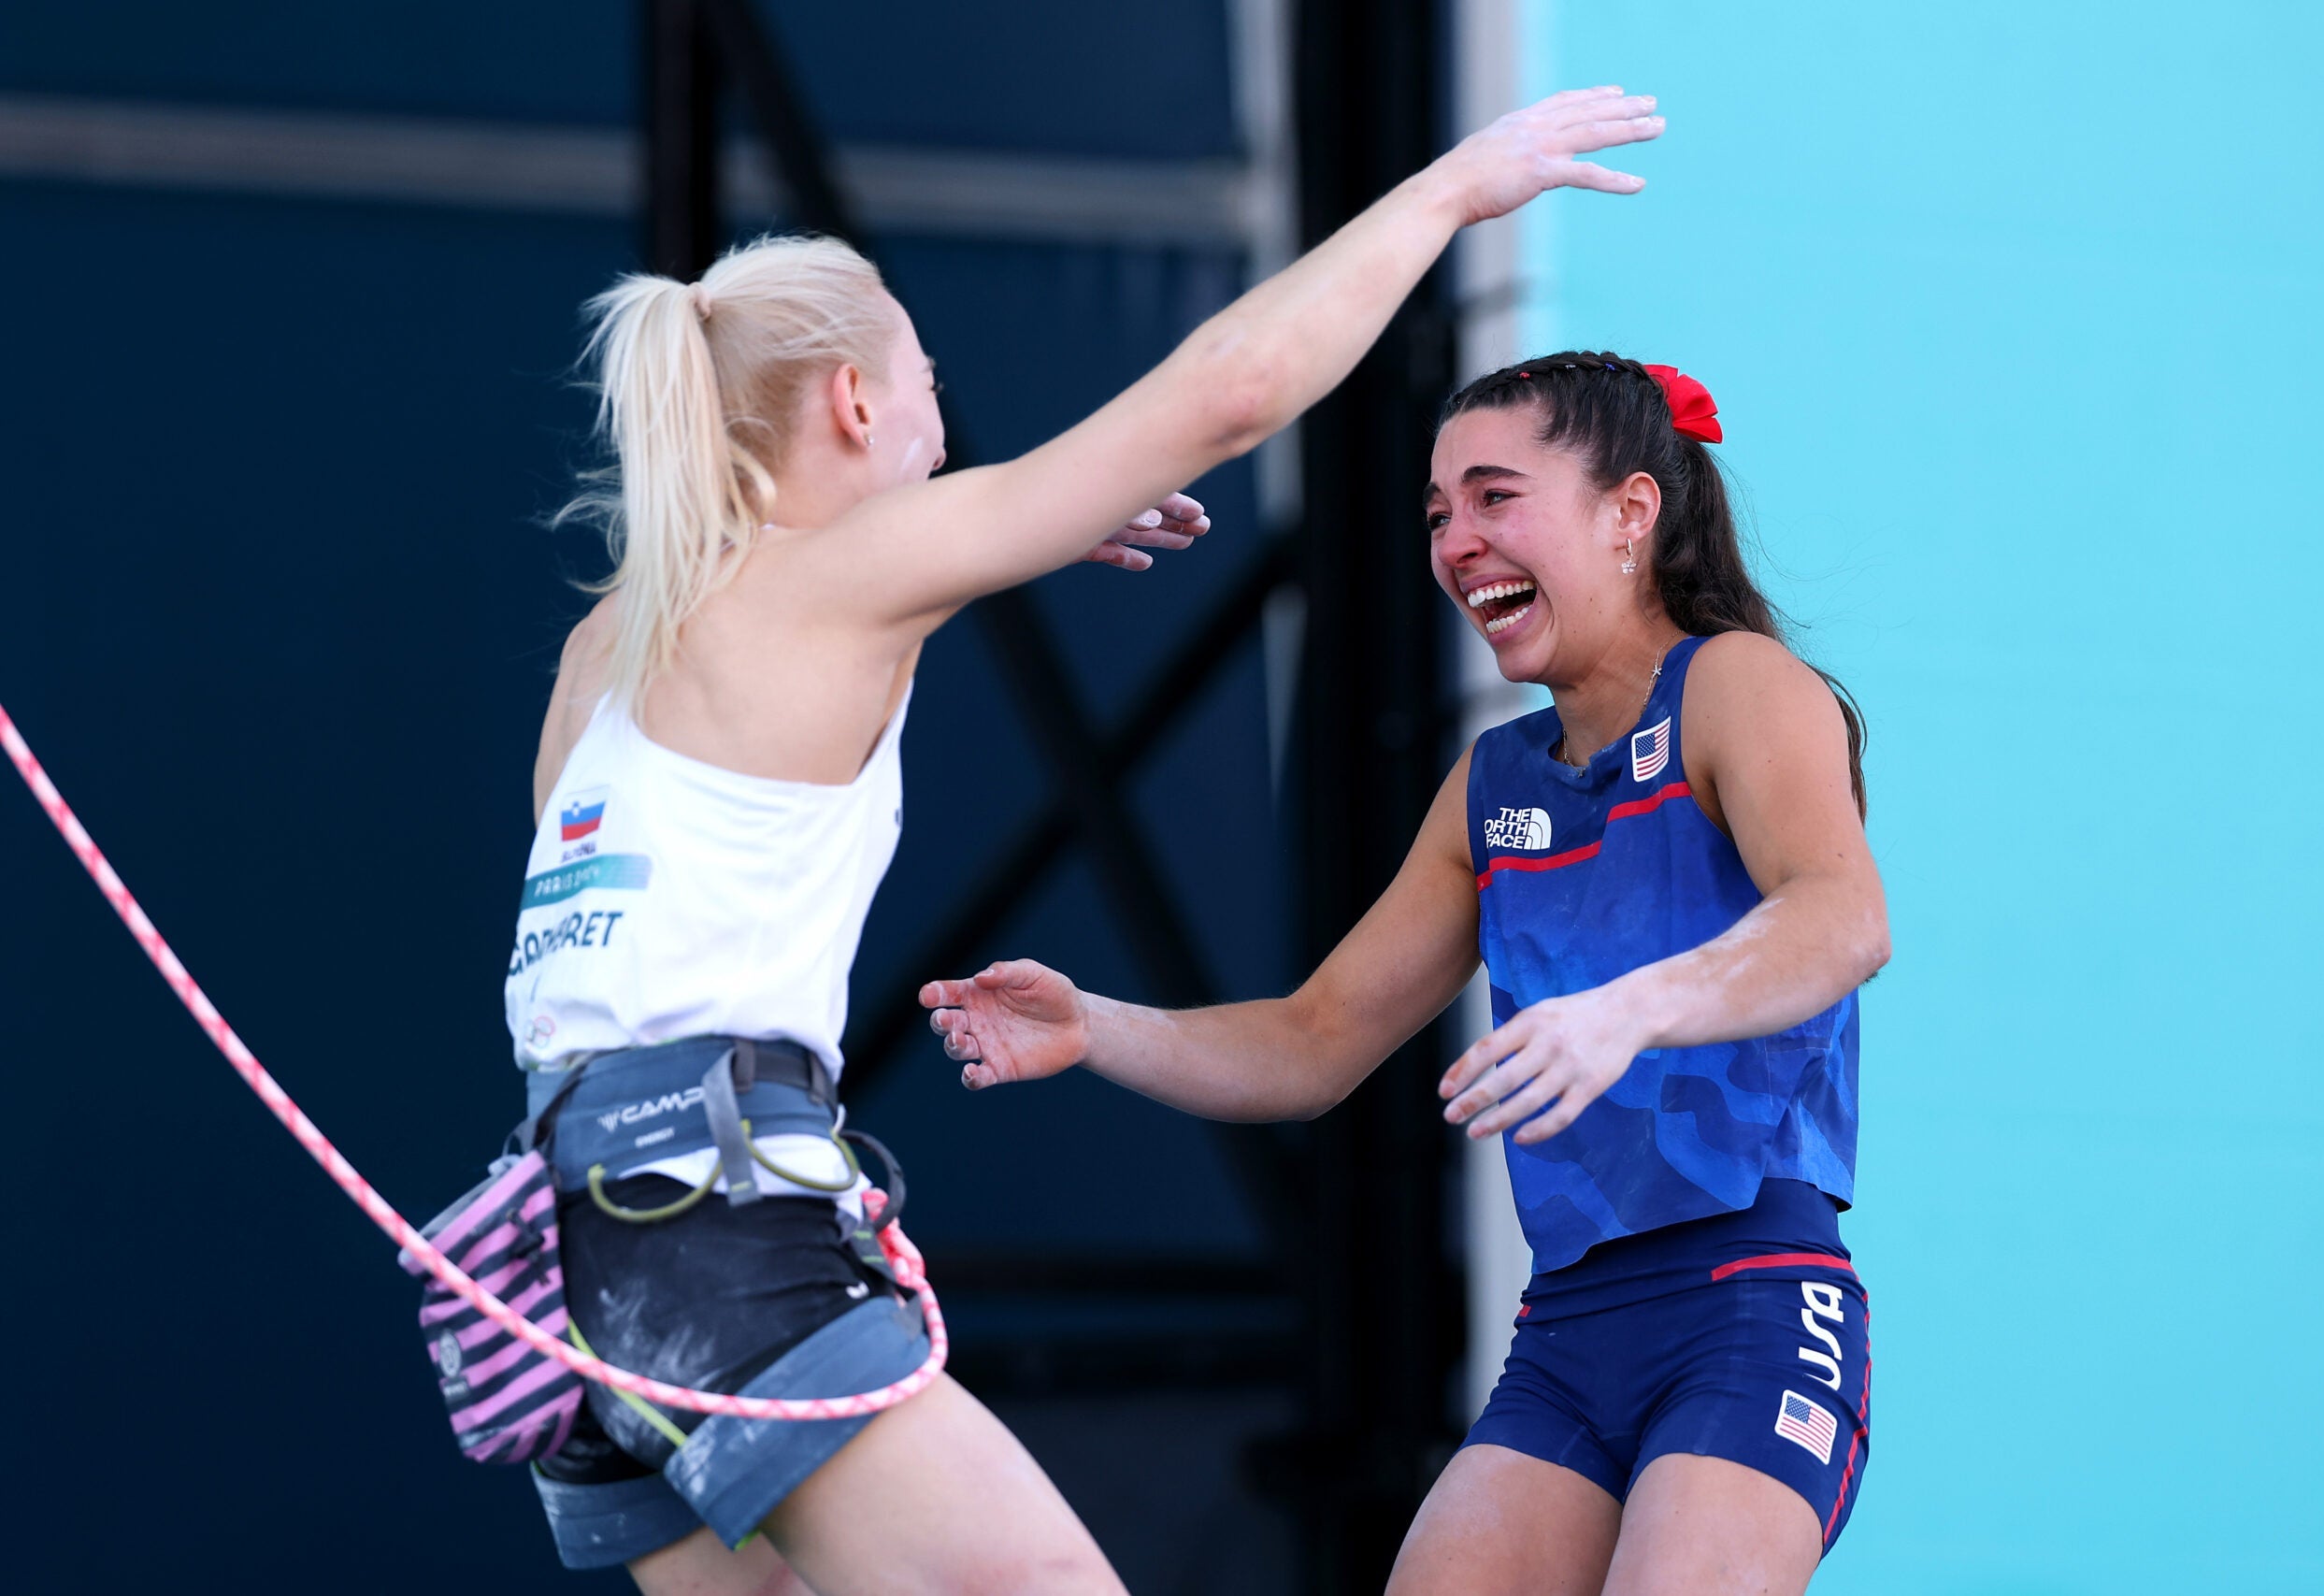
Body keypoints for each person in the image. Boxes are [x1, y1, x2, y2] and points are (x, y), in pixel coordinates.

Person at [496, 88, 1666, 1593]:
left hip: (573, 1272)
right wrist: (1444, 194)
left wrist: (1013, 532)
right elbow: (1231, 392)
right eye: (930, 378)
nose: (940, 413)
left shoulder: (611, 643)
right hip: (718, 1231)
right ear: (859, 404)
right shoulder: (835, 584)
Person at [921, 351, 1888, 1593]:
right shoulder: (1492, 784)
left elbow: (1843, 918)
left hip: (1754, 1304)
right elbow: (1315, 1041)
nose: (1457, 542)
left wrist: (1626, 1014)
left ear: (1630, 513)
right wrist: (1095, 1028)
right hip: (1570, 1335)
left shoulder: (1738, 685)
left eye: (1495, 497)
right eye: (1438, 513)